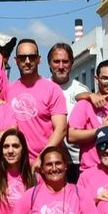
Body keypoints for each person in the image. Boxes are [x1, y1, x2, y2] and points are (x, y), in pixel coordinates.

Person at [5, 38, 68, 166]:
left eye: (32, 57)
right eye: (22, 58)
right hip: (17, 165)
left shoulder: (52, 89)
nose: (27, 61)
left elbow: (61, 129)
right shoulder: (7, 91)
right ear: (16, 61)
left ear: (39, 59)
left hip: (46, 165)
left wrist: (40, 159)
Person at [47, 42, 92, 180]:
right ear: (49, 64)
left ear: (71, 63)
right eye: (56, 61)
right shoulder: (43, 88)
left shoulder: (82, 90)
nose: (61, 66)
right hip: (51, 160)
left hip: (77, 160)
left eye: (65, 61)